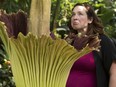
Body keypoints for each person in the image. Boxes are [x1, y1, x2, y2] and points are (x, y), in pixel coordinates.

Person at [65, 2, 116, 87]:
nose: (75, 17)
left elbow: (114, 73)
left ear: (90, 19)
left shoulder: (102, 41)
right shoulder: (68, 42)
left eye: (80, 14)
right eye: (73, 14)